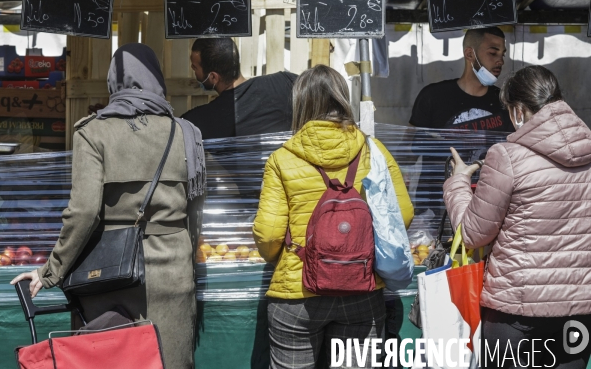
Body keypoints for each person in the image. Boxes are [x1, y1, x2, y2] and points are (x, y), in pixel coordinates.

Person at [10, 43, 206, 369]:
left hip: (111, 282)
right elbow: (195, 212)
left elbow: (84, 213)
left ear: (114, 82)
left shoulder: (94, 132)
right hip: (173, 279)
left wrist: (50, 272)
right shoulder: (186, 133)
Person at [252, 65, 414, 368]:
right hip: (362, 290)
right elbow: (401, 216)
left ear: (301, 104)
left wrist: (287, 256)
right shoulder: (373, 150)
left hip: (297, 294)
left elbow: (269, 234)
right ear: (342, 99)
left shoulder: (282, 158)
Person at [444, 66, 591, 368]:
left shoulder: (507, 156)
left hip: (516, 314)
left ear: (519, 110)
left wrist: (458, 183)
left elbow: (472, 234)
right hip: (579, 312)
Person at [181, 37, 297, 139]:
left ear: (213, 77)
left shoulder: (196, 122)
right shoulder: (286, 82)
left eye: (195, 67)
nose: (192, 68)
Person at [409, 27, 513, 132]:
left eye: (502, 55)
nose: (500, 61)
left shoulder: (505, 102)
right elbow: (410, 143)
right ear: (470, 54)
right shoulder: (432, 97)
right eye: (493, 53)